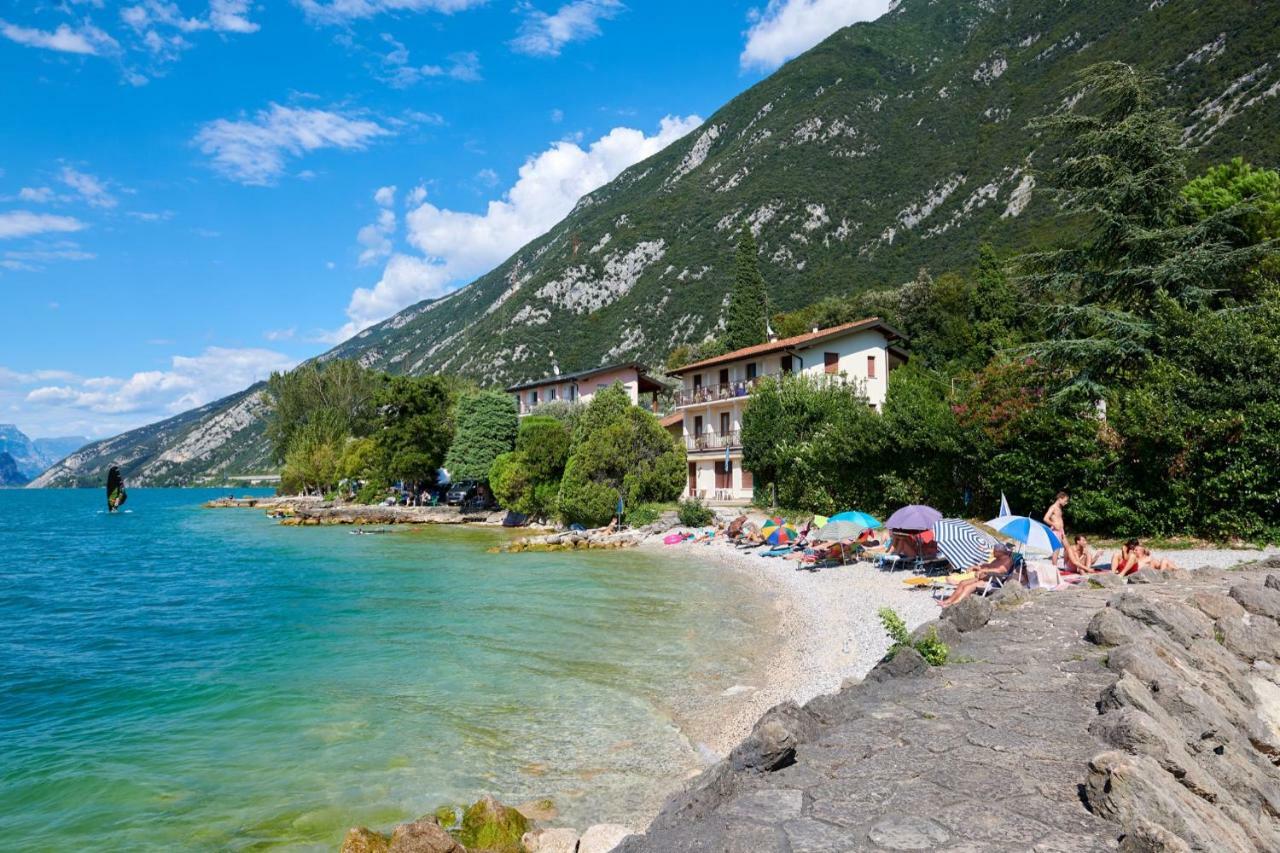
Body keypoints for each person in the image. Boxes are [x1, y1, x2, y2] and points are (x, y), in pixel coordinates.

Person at [940, 545, 1016, 608]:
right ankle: (948, 600)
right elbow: (988, 566)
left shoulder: (1007, 560)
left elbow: (1000, 570)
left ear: (1000, 552)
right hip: (984, 579)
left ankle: (953, 604)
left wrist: (983, 571)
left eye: (994, 551)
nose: (993, 553)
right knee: (963, 583)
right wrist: (976, 567)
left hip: (993, 581)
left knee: (968, 587)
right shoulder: (997, 559)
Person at [1044, 492, 1069, 565]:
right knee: (1056, 550)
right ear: (1060, 499)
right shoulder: (1053, 507)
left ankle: (1066, 565)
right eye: (1065, 500)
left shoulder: (1059, 508)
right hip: (1056, 531)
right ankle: (1054, 568)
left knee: (1068, 548)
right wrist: (1054, 524)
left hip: (1061, 531)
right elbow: (1045, 518)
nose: (1066, 503)